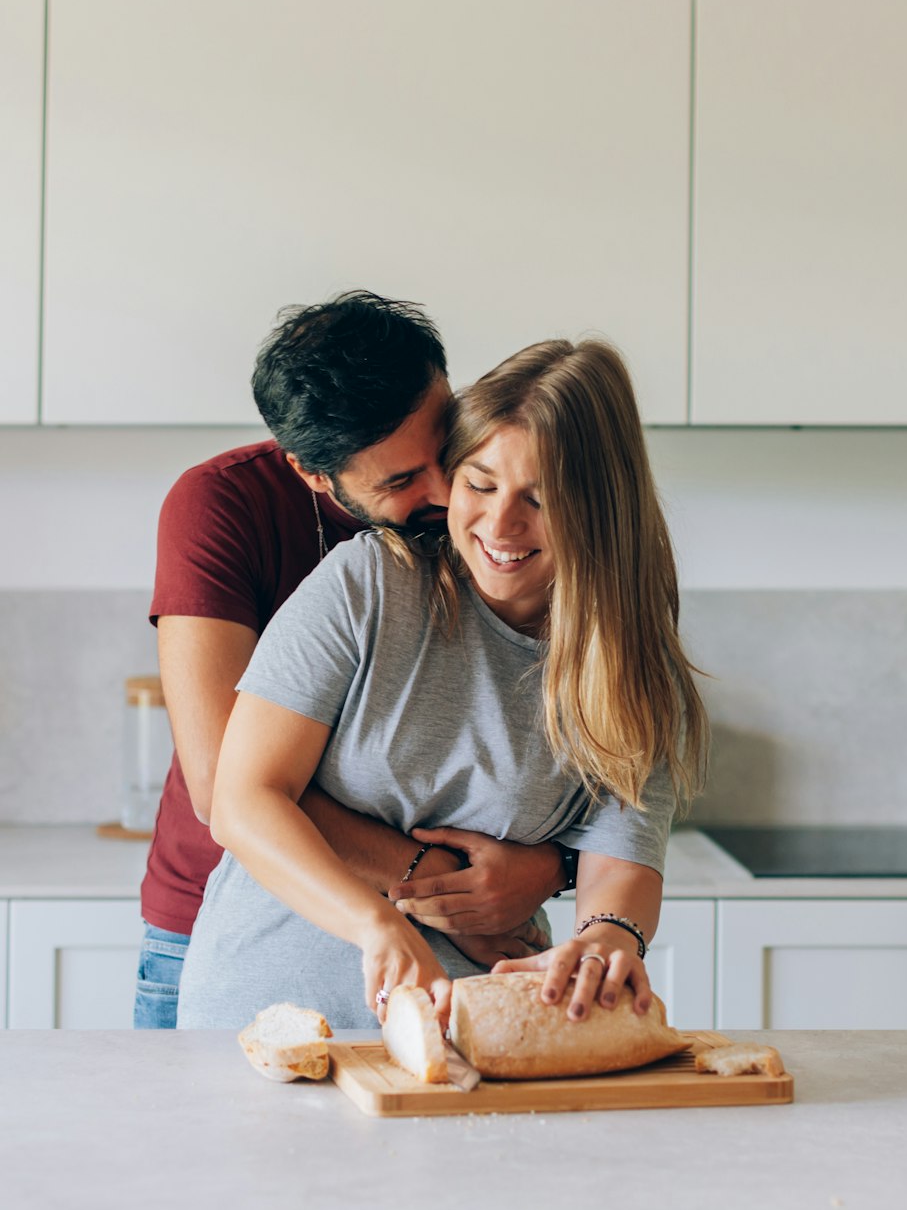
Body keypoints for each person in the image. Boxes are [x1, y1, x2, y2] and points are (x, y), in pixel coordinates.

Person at [176, 338, 707, 1030]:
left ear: (601, 509)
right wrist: (376, 924)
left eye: (540, 500)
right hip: (261, 1017)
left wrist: (608, 935)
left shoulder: (631, 662)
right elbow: (242, 801)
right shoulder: (368, 585)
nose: (500, 524)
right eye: (480, 484)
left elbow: (623, 858)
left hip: (474, 1036)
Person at [136, 291, 572, 1028]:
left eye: (443, 453)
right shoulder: (221, 506)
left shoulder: (497, 512)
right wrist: (442, 885)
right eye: (400, 482)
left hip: (461, 937)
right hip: (237, 925)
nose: (444, 494)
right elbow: (223, 786)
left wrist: (550, 867)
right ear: (311, 472)